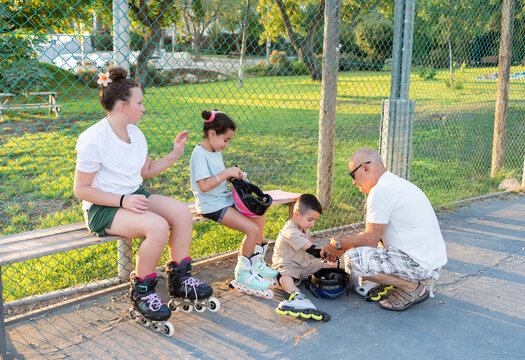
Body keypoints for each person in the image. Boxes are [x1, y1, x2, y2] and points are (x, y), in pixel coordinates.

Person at [74, 68, 213, 330]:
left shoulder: (135, 134)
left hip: (133, 196)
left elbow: (146, 170)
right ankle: (142, 292)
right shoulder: (93, 139)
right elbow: (82, 189)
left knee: (181, 212)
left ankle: (180, 279)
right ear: (122, 106)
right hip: (102, 207)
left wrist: (174, 154)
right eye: (139, 103)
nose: (143, 108)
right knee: (158, 226)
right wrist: (122, 200)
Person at [321, 147, 447, 311]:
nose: (353, 181)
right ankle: (406, 281)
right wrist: (345, 245)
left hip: (419, 265)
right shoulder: (394, 183)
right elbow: (374, 238)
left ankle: (411, 288)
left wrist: (338, 245)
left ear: (365, 168)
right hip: (429, 262)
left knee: (353, 260)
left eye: (353, 175)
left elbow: (370, 239)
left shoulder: (380, 190)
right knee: (365, 249)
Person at [189, 110, 277, 298]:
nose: (227, 145)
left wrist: (236, 173)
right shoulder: (199, 154)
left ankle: (256, 262)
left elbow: (220, 178)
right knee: (251, 230)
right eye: (226, 140)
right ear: (212, 134)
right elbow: (204, 186)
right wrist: (227, 173)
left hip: (223, 199)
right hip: (210, 205)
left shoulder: (214, 150)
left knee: (259, 214)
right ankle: (243, 273)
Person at [272, 194, 337, 320]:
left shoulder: (304, 227)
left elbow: (314, 250)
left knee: (332, 265)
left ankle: (354, 280)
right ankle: (295, 296)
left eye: (315, 220)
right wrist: (329, 250)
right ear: (296, 215)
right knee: (285, 278)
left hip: (304, 265)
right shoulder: (290, 231)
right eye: (310, 220)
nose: (313, 224)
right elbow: (313, 250)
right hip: (287, 266)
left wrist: (330, 255)